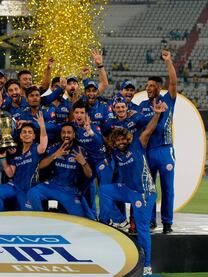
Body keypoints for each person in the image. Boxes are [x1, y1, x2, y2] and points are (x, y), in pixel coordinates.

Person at [99, 99, 167, 275]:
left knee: (143, 230)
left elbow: (150, 129)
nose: (121, 141)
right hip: (128, 190)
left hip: (143, 193)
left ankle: (147, 266)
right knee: (104, 190)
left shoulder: (138, 143)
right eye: (117, 139)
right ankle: (121, 220)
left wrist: (157, 113)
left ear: (128, 138)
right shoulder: (115, 151)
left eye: (123, 138)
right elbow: (104, 139)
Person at [139, 49, 177, 234]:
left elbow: (173, 82)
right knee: (149, 188)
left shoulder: (168, 100)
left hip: (164, 150)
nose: (148, 88)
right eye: (147, 85)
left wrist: (168, 61)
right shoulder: (142, 106)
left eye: (151, 85)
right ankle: (151, 221)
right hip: (148, 152)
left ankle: (168, 222)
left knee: (168, 189)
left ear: (159, 88)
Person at [27, 123, 94, 219]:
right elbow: (40, 166)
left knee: (80, 219)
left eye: (69, 132)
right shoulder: (55, 147)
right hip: (52, 186)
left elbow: (89, 174)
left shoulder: (81, 150)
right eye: (64, 132)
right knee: (32, 193)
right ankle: (41, 219)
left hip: (69, 191)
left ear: (74, 134)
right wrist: (54, 155)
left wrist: (83, 163)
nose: (66, 135)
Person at [0, 111, 47, 212]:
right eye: (24, 132)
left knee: (27, 213)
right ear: (20, 136)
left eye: (30, 132)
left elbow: (43, 144)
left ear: (34, 136)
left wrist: (42, 126)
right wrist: (3, 158)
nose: (27, 134)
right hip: (15, 186)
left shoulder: (36, 149)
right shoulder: (16, 151)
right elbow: (10, 173)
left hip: (30, 189)